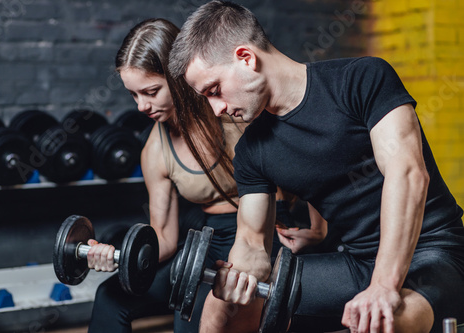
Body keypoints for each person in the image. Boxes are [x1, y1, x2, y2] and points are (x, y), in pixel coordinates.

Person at [167, 1, 464, 333]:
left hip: (433, 251)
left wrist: (383, 285)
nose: (217, 108)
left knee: (382, 322)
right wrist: (238, 277)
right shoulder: (253, 151)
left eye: (215, 90)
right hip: (357, 262)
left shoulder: (361, 79)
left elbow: (408, 174)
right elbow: (252, 242)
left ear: (246, 58)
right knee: (223, 308)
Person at [85, 18, 291, 333]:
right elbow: (164, 238)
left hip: (265, 232)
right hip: (208, 240)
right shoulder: (155, 150)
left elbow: (296, 177)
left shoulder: (233, 110)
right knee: (110, 296)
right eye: (134, 95)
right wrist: (118, 256)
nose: (142, 106)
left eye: (151, 91)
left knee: (191, 319)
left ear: (178, 76)